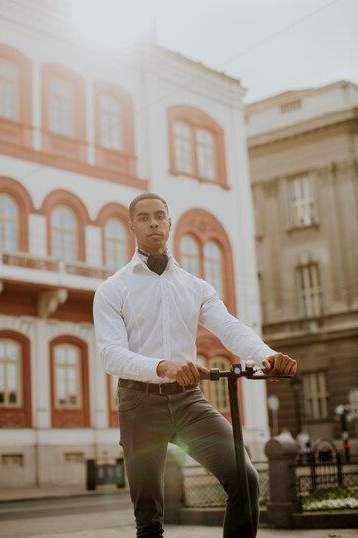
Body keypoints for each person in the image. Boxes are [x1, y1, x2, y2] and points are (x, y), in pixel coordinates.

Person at [93, 193, 297, 538]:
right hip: (139, 404)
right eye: (144, 218)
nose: (153, 222)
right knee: (149, 517)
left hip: (189, 400)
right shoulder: (113, 289)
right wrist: (162, 366)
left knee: (245, 479)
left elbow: (229, 328)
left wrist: (265, 356)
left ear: (170, 223)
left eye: (160, 215)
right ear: (132, 227)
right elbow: (111, 355)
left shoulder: (195, 286)